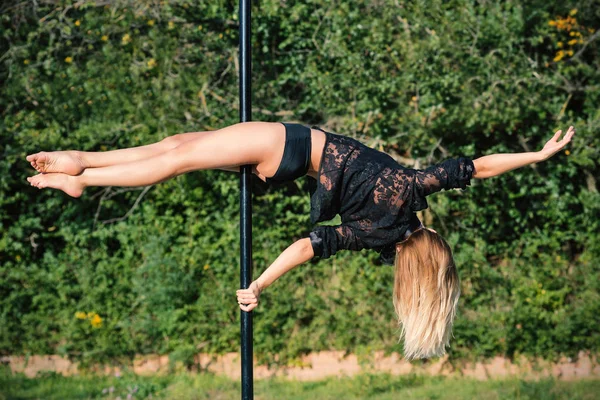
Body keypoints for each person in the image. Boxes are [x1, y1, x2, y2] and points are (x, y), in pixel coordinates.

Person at [26, 122, 575, 359]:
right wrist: (261, 282)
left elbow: (478, 167)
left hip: (289, 145)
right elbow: (311, 245)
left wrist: (538, 155)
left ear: (435, 245)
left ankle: (81, 175)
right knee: (180, 145)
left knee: (178, 159)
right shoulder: (375, 233)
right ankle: (82, 166)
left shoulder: (409, 191)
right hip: (286, 164)